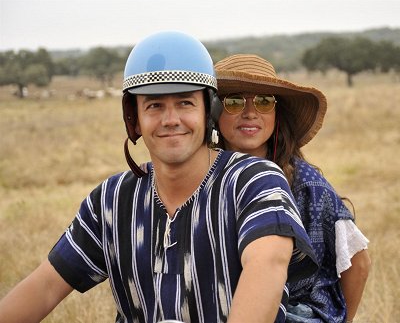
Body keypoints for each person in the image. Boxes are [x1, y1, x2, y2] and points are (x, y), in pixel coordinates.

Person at [0, 32, 318, 323]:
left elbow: (267, 266)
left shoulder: (254, 183)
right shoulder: (111, 201)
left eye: (185, 103)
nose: (170, 119)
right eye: (154, 105)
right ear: (133, 118)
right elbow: (43, 288)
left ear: (209, 111)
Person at [214, 54, 372, 323]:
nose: (250, 112)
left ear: (277, 113)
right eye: (234, 101)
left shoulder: (306, 184)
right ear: (213, 112)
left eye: (264, 102)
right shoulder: (202, 176)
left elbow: (358, 262)